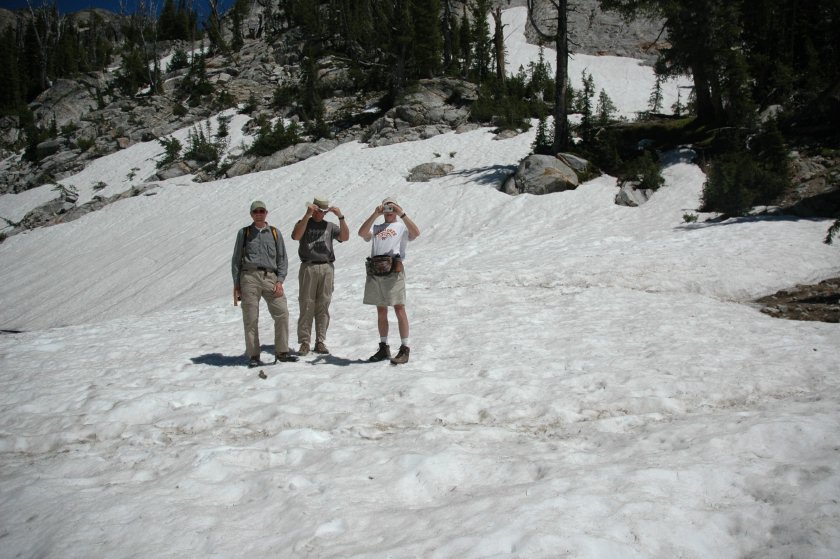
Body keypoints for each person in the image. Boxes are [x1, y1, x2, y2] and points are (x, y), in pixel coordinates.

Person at [232, 200, 298, 367]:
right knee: (251, 317)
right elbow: (236, 260)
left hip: (270, 277)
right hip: (249, 277)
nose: (259, 214)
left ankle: (282, 352)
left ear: (266, 213)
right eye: (256, 212)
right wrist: (237, 285)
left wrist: (280, 280)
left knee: (282, 312)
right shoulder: (244, 233)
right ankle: (254, 356)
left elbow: (282, 258)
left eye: (261, 211)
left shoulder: (275, 233)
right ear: (251, 214)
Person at [357, 197, 421, 364]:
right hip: (376, 270)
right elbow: (362, 233)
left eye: (392, 207)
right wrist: (374, 213)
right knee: (381, 310)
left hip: (394, 269)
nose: (389, 210)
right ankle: (384, 346)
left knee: (399, 308)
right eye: (386, 207)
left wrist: (402, 213)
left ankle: (404, 348)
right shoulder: (377, 227)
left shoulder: (401, 227)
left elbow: (416, 233)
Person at [290, 196, 350, 356]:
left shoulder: (330, 226)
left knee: (323, 304)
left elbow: (344, 237)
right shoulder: (304, 222)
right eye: (317, 210)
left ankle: (320, 341)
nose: (319, 214)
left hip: (326, 267)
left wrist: (341, 217)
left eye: (323, 211)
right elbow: (296, 236)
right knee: (306, 304)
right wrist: (307, 215)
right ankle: (304, 341)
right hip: (308, 266)